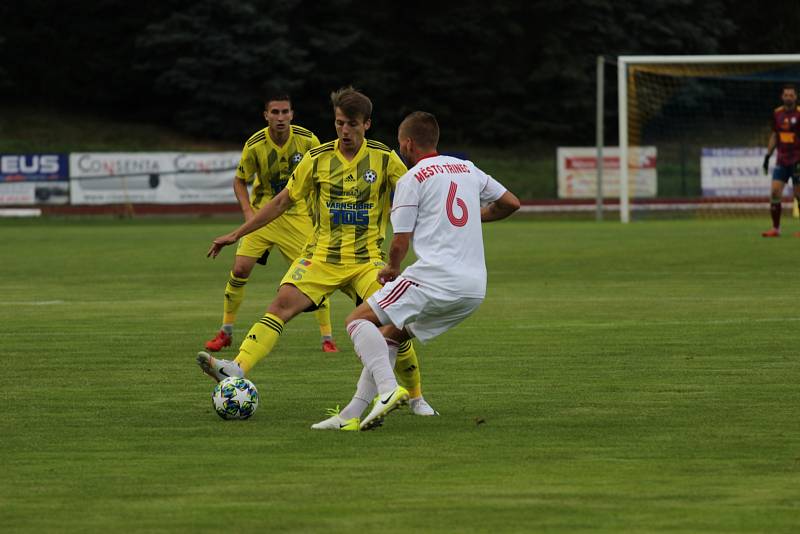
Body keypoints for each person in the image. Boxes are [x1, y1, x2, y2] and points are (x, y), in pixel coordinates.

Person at [197, 87, 437, 419]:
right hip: (321, 257)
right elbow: (281, 201)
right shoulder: (318, 158)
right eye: (340, 123)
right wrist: (237, 233)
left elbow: (419, 193)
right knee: (281, 304)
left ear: (366, 124)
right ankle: (237, 367)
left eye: (352, 124)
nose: (345, 131)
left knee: (395, 322)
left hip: (366, 261)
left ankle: (416, 397)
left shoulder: (384, 159)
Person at [315, 111, 520, 431]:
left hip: (435, 278)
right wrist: (474, 219)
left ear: (408, 144)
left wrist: (392, 268)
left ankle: (387, 391)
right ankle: (351, 414)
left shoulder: (414, 178)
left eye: (400, 145)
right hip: (473, 290)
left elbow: (399, 241)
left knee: (356, 321)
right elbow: (511, 202)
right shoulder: (466, 168)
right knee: (390, 336)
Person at [203, 91, 339, 353]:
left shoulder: (308, 140)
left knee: (314, 272)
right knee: (240, 269)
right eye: (274, 112)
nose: (280, 117)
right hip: (263, 216)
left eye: (285, 112)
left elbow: (324, 176)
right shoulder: (255, 145)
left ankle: (327, 338)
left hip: (297, 216)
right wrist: (248, 213)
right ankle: (226, 332)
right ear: (266, 115)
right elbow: (239, 180)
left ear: (292, 114)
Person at [761, 84, 800, 238]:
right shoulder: (777, 114)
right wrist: (767, 156)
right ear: (782, 97)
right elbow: (774, 135)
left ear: (796, 97)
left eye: (791, 95)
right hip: (782, 161)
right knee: (775, 192)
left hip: (798, 161)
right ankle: (775, 228)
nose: (788, 97)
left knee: (798, 194)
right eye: (786, 95)